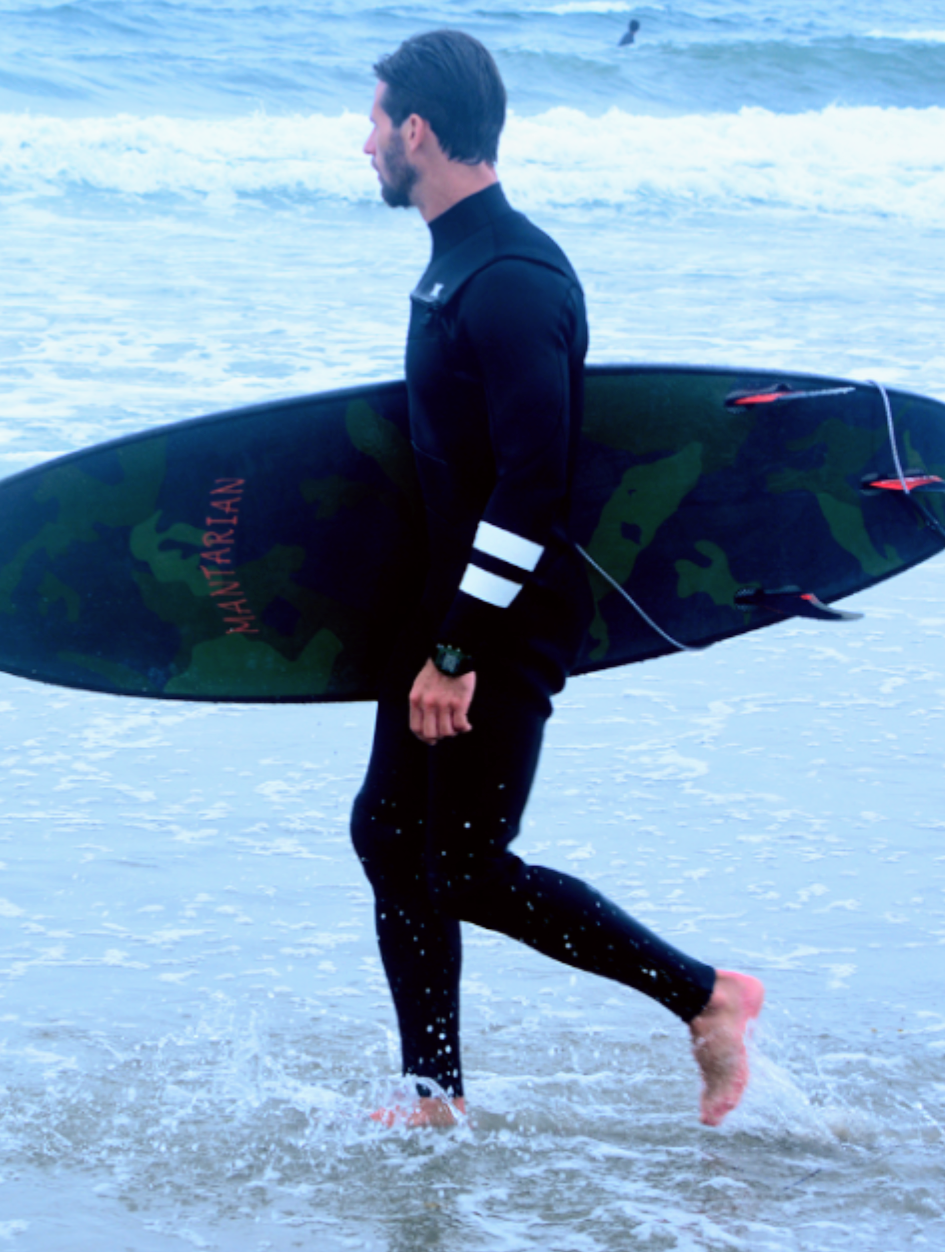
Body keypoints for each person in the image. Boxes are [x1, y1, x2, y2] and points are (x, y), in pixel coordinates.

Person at [353, 29, 762, 1130]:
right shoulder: (457, 264)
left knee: (471, 867)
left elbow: (532, 485)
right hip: (450, 608)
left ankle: (707, 997)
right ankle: (432, 1091)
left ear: (420, 132)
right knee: (390, 837)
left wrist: (456, 651)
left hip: (502, 621)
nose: (364, 143)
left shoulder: (512, 282)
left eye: (376, 122)